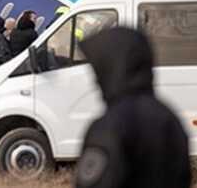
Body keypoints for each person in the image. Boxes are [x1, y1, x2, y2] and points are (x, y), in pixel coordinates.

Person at [75, 28, 191, 188]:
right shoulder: (169, 118)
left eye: (99, 71)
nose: (95, 81)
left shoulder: (110, 126)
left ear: (113, 67)